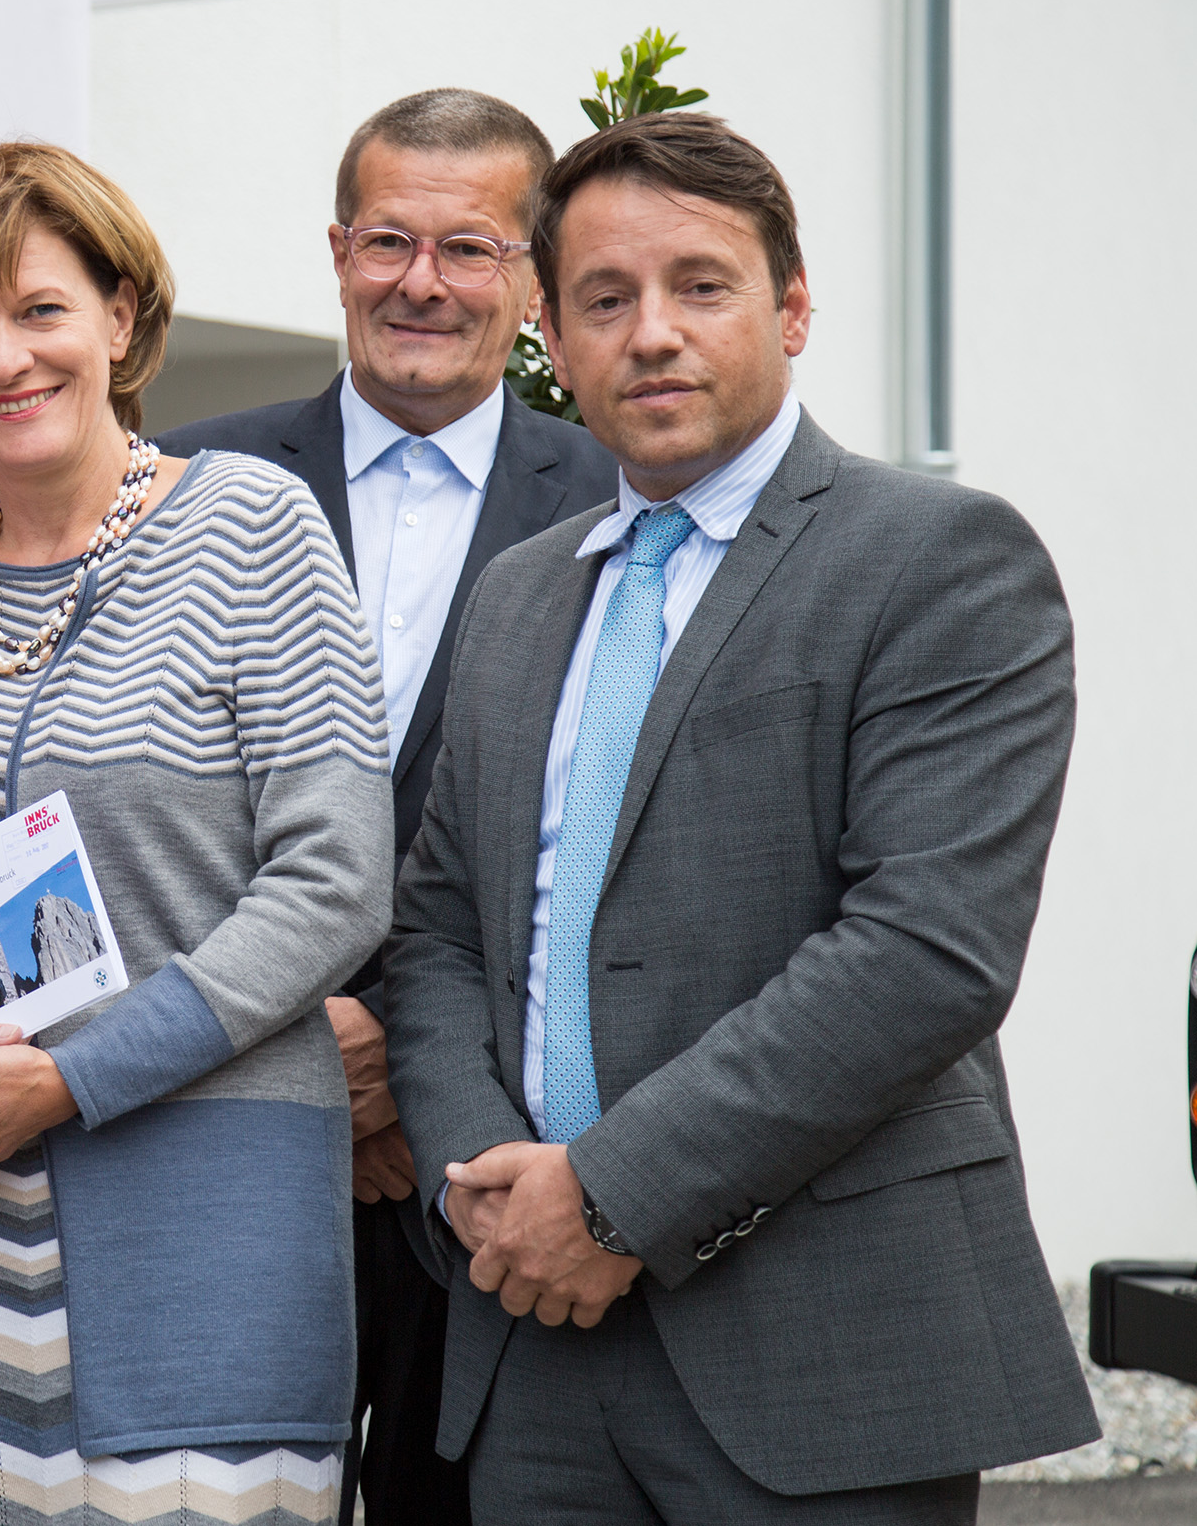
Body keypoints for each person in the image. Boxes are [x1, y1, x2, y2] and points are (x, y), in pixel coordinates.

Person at [382, 111, 1097, 1521]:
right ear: (553, 335)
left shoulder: (938, 560)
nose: (651, 333)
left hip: (817, 1345)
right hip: (533, 1340)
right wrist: (490, 1192)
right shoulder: (522, 596)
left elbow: (924, 951)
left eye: (699, 286)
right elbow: (443, 933)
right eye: (604, 299)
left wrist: (611, 1196)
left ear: (794, 306)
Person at [0, 142, 395, 1525]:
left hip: (197, 1233)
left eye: (40, 310)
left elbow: (333, 883)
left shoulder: (256, 527)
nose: (4, 358)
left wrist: (73, 1081)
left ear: (121, 319)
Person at [158, 87, 616, 1526]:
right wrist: (298, 1039)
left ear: (534, 280)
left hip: (479, 1154)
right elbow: (142, 803)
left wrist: (421, 1073)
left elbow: (599, 848)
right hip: (221, 1110)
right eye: (388, 241)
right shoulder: (188, 483)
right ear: (337, 249)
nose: (422, 282)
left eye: (471, 249)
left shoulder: (616, 505)